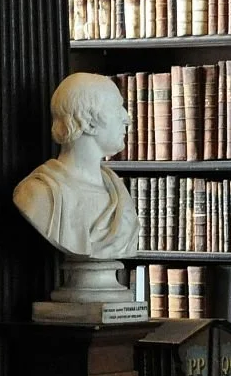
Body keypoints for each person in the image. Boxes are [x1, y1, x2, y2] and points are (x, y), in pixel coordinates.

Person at [13, 72, 140, 260]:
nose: (126, 118)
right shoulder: (38, 193)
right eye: (117, 107)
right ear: (88, 121)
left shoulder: (118, 191)